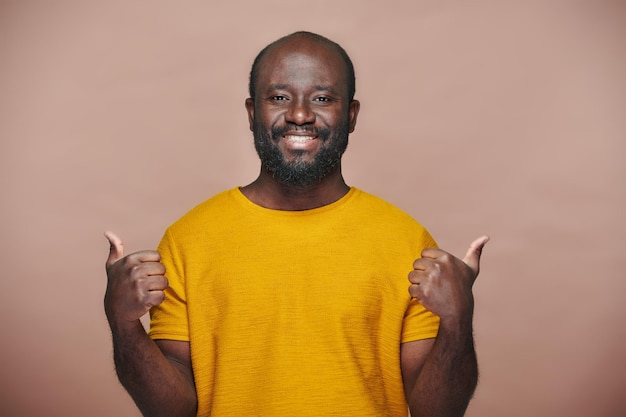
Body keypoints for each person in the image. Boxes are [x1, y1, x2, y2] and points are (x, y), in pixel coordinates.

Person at [104, 31, 488, 417]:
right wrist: (123, 325)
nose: (300, 114)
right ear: (253, 113)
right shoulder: (187, 239)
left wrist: (458, 320)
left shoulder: (406, 240)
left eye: (322, 98)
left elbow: (436, 411)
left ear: (350, 116)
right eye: (279, 98)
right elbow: (171, 409)